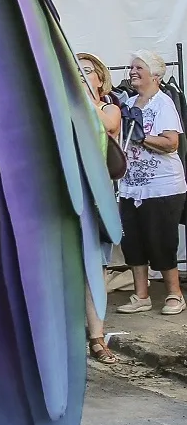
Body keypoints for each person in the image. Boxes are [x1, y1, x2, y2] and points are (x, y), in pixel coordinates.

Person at [116, 50, 186, 317]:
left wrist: (141, 137)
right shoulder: (130, 102)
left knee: (161, 241)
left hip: (162, 186)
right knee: (132, 242)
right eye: (131, 67)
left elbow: (171, 143)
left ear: (155, 76)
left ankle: (174, 294)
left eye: (139, 68)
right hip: (132, 186)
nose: (132, 72)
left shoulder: (163, 103)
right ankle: (141, 296)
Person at [78, 52, 123, 362]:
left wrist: (86, 98)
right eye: (74, 70)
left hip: (96, 201)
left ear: (100, 79)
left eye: (86, 71)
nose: (80, 74)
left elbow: (107, 122)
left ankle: (97, 338)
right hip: (67, 200)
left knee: (96, 269)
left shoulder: (108, 107)